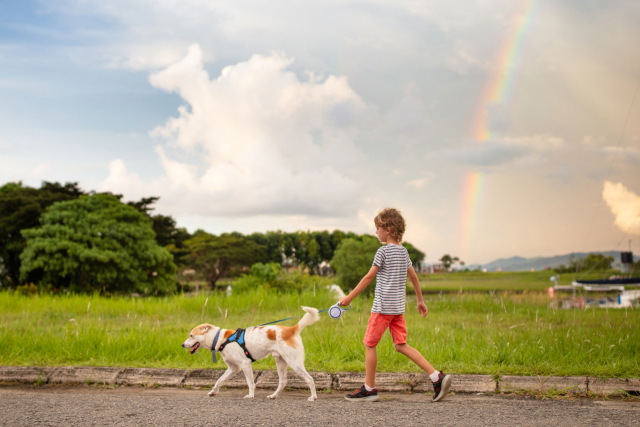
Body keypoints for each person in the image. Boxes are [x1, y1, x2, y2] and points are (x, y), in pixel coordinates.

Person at [338, 208, 452, 402]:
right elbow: (414, 276)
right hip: (398, 310)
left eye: (378, 228)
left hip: (382, 309)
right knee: (401, 345)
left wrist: (349, 297)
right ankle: (436, 377)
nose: (376, 232)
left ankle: (369, 389)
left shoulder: (382, 252)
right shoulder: (404, 252)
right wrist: (420, 300)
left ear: (388, 229)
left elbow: (368, 277)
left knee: (369, 344)